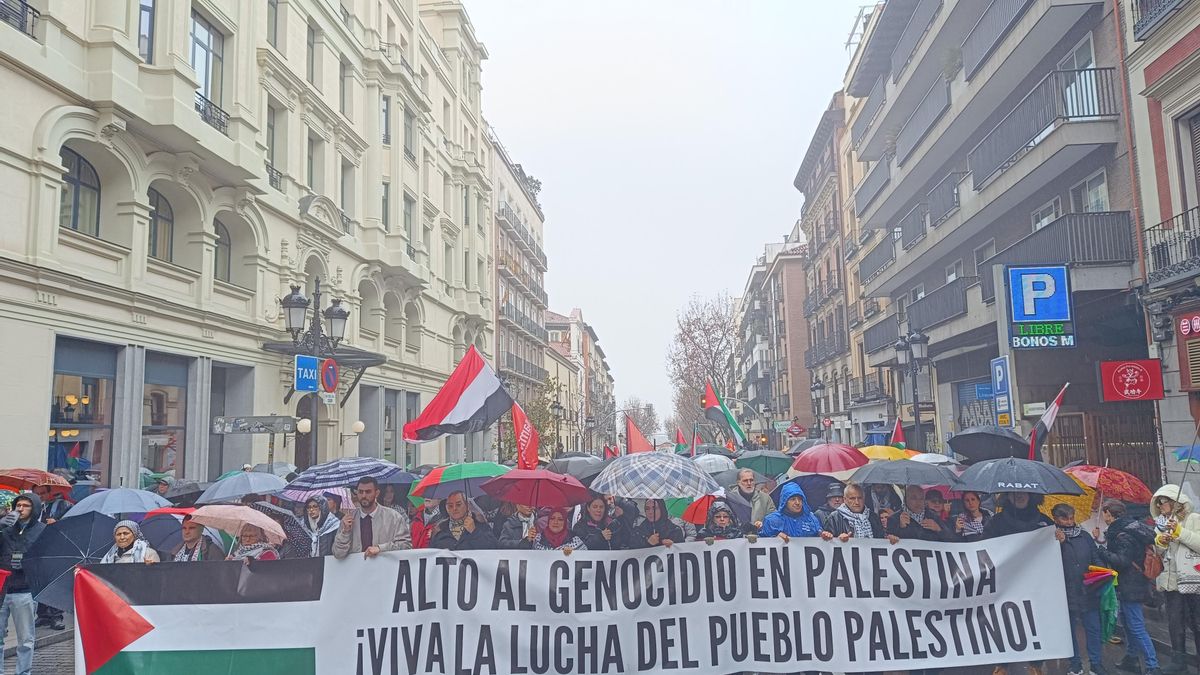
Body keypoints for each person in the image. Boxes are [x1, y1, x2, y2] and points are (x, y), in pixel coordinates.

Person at [1095, 499, 1161, 675]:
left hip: (1131, 585)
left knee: (1136, 626)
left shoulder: (1123, 534)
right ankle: (1131, 659)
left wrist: (1100, 550)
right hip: (1130, 584)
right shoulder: (1129, 529)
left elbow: (1123, 561)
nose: (1104, 518)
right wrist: (1100, 540)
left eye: (1105, 514)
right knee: (1128, 623)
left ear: (1110, 513)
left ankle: (1153, 665)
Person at [1151, 485, 1200, 675]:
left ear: (1175, 502)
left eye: (1163, 502)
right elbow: (1160, 553)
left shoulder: (1194, 519)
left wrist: (1179, 531)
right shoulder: (1161, 523)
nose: (1160, 506)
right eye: (1158, 503)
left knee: (1197, 622)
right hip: (1171, 581)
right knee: (1175, 621)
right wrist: (1161, 542)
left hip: (1193, 580)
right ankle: (1178, 660)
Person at [1052, 503, 1105, 675]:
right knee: (1070, 630)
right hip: (1065, 591)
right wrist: (1059, 544)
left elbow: (1095, 556)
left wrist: (1100, 573)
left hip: (1088, 589)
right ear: (1056, 519)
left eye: (1071, 517)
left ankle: (1096, 664)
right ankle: (1075, 663)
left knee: (1093, 628)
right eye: (1064, 518)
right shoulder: (1051, 538)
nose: (1069, 522)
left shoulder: (1084, 536)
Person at [0, 493, 46, 674]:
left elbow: (44, 558)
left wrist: (26, 562)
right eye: (18, 505)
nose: (21, 509)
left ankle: (23, 672)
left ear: (34, 508)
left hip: (25, 590)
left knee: (26, 639)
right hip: (2, 588)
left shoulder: (41, 530)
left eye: (26, 505)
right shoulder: (5, 529)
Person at [333, 476, 412, 559]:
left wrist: (380, 548)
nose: (364, 495)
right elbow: (338, 554)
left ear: (377, 493)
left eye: (368, 492)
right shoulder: (348, 520)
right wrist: (345, 532)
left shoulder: (394, 517)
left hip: (384, 569)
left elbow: (406, 546)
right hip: (356, 570)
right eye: (360, 492)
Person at [822, 483, 897, 543]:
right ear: (845, 499)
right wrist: (838, 540)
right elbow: (827, 543)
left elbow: (880, 539)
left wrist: (888, 539)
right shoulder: (834, 517)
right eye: (852, 498)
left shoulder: (873, 517)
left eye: (859, 498)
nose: (857, 502)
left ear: (864, 499)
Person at [759, 482, 831, 543]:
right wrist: (775, 539)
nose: (797, 503)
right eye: (793, 499)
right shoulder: (772, 520)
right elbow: (761, 543)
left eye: (800, 499)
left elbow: (819, 535)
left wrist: (824, 535)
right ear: (785, 501)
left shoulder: (811, 518)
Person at [429, 491, 498, 550]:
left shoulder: (480, 524)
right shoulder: (439, 529)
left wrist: (474, 532)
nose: (454, 508)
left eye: (458, 504)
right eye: (450, 506)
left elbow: (493, 548)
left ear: (467, 505)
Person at [886, 485, 956, 542]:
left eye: (921, 498)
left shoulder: (933, 517)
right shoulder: (894, 518)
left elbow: (951, 539)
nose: (918, 502)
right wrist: (901, 528)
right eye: (914, 498)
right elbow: (888, 542)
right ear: (905, 499)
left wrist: (938, 529)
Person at [984, 492, 1054, 538]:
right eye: (1013, 493)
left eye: (1023, 492)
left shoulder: (1045, 521)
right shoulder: (995, 522)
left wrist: (1062, 541)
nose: (1019, 496)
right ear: (1007, 496)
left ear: (1030, 495)